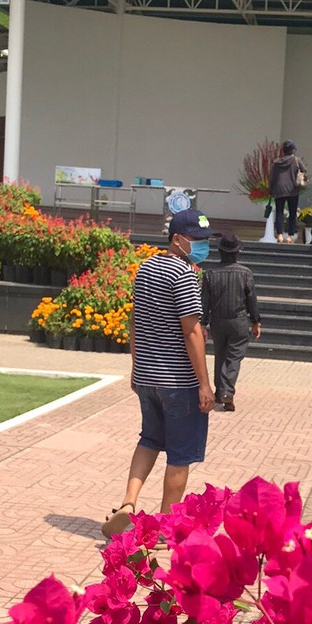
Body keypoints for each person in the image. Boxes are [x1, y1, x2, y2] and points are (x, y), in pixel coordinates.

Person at [102, 208, 219, 537]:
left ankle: (128, 503)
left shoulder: (147, 267)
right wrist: (204, 384)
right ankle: (164, 527)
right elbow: (191, 331)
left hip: (148, 377)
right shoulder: (183, 274)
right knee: (180, 453)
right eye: (196, 240)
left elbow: (135, 320)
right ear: (177, 240)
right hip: (178, 382)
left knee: (150, 439)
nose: (201, 246)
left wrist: (135, 366)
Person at [201, 234, 261, 412]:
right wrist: (256, 321)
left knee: (220, 355)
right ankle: (227, 392)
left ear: (219, 251)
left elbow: (205, 301)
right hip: (239, 320)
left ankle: (221, 393)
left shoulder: (210, 273)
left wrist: (203, 323)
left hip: (218, 321)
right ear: (237, 252)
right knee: (234, 357)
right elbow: (252, 300)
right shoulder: (245, 273)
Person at [270, 140, 306, 244]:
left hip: (279, 189)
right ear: (293, 150)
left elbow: (272, 177)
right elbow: (304, 170)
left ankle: (280, 234)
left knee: (279, 212)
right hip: (292, 189)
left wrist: (271, 189)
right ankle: (290, 236)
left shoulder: (276, 162)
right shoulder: (296, 160)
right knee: (292, 212)